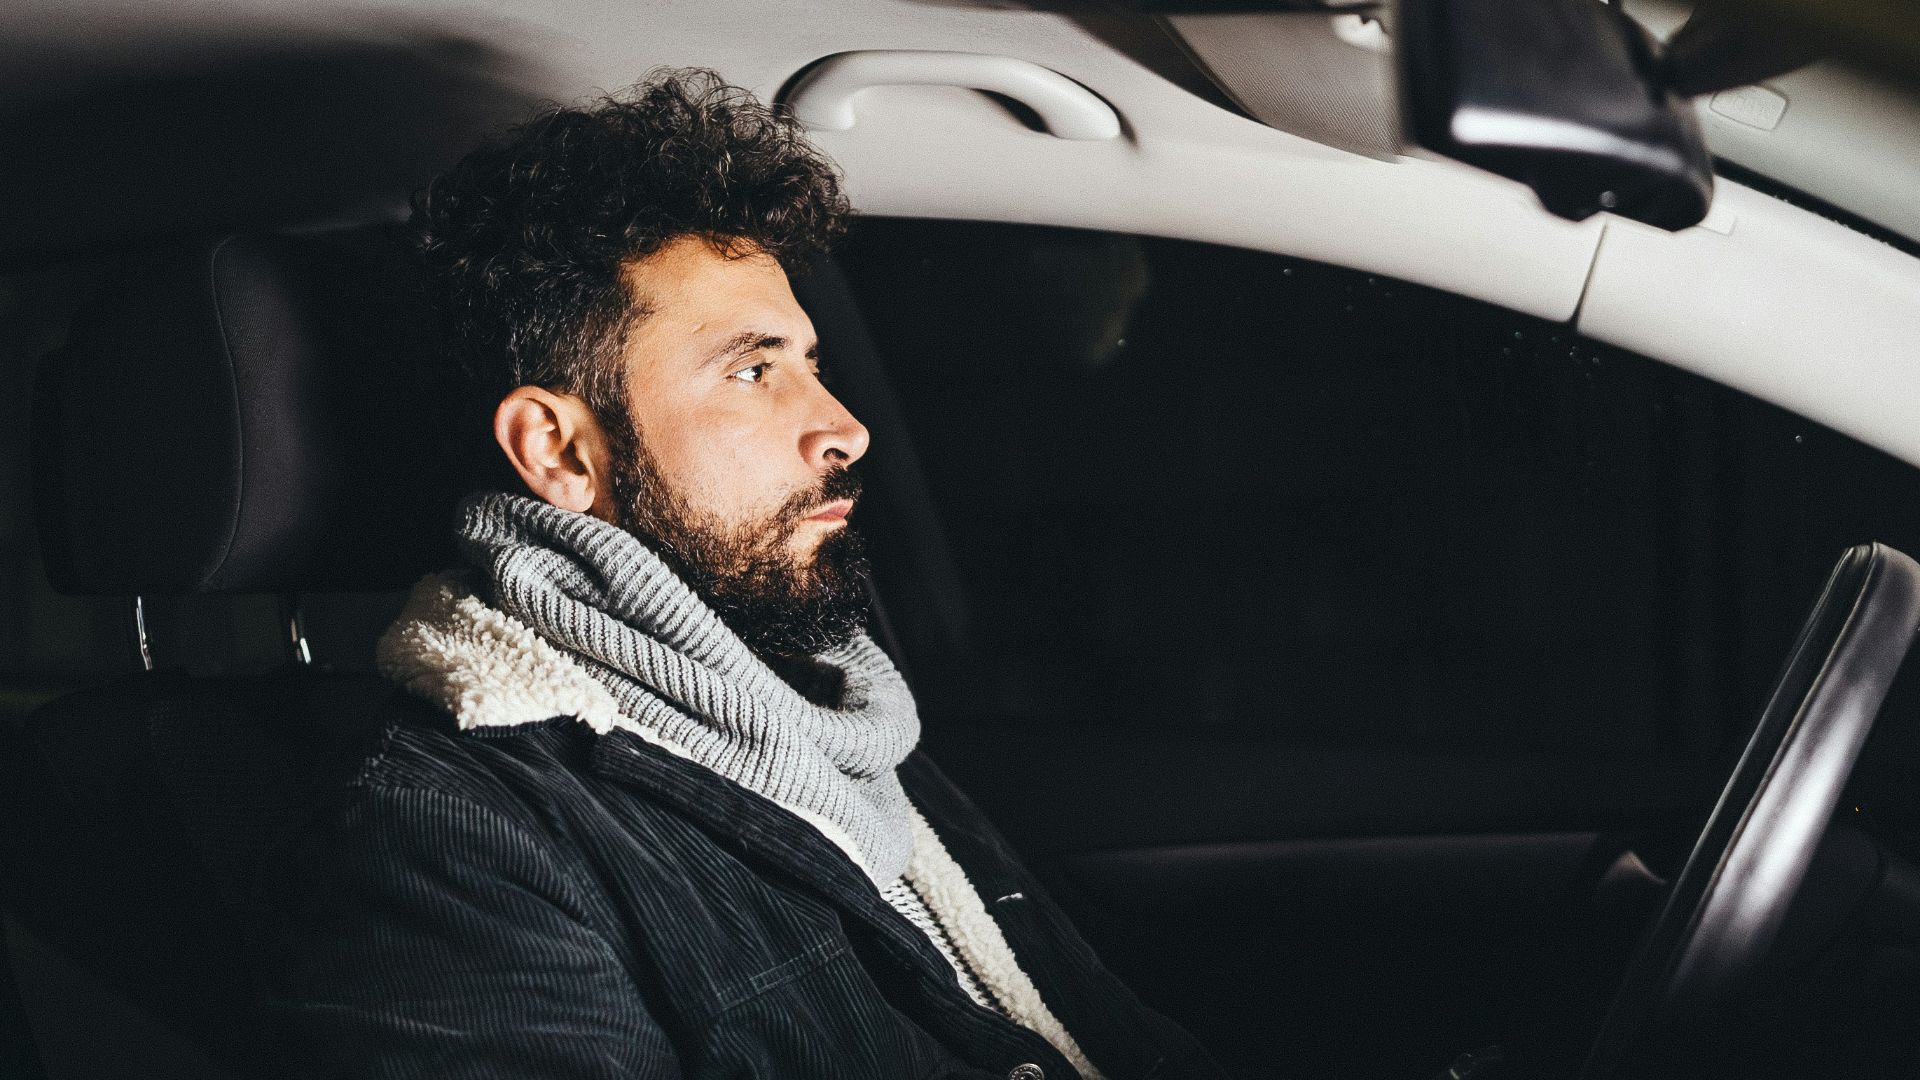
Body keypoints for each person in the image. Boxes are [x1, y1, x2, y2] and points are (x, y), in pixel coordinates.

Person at [266, 70, 1223, 1080]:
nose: (844, 428)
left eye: (810, 364)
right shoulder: (452, 835)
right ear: (558, 450)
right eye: (753, 371)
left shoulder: (825, 717)